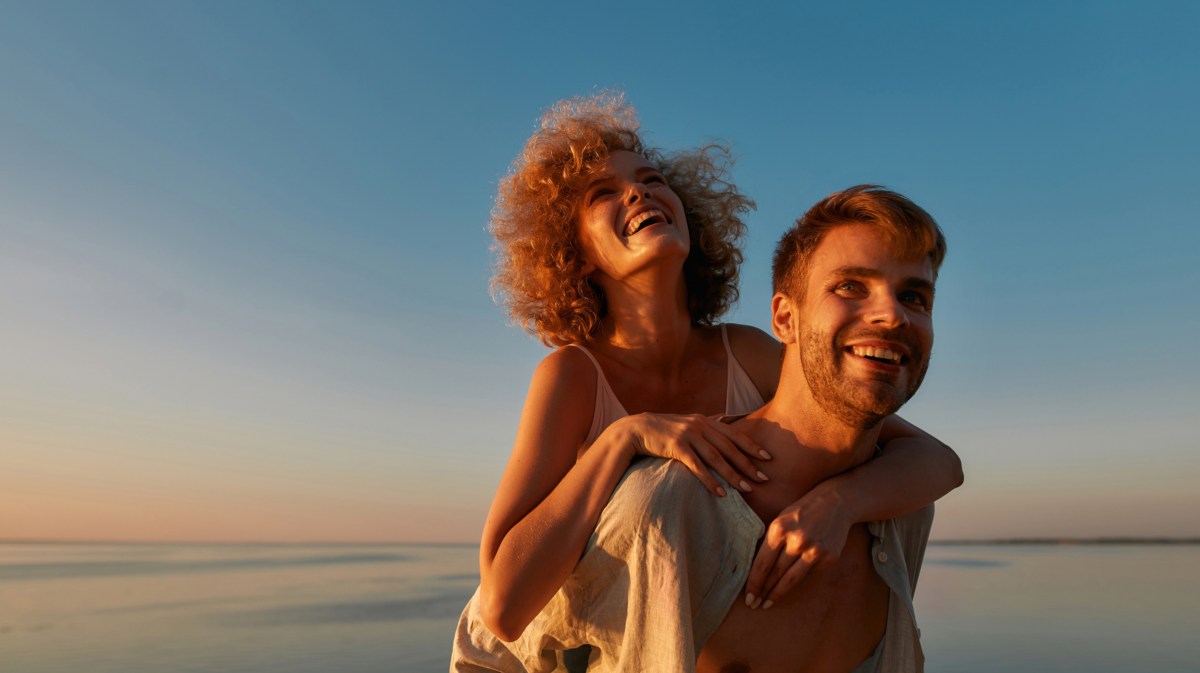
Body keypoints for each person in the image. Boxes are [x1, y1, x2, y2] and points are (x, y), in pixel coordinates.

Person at [466, 92, 962, 649]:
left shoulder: (744, 353)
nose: (638, 191)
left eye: (652, 180)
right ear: (575, 255)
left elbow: (935, 461)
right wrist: (625, 437)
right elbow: (501, 609)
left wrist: (839, 504)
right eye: (603, 194)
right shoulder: (572, 377)